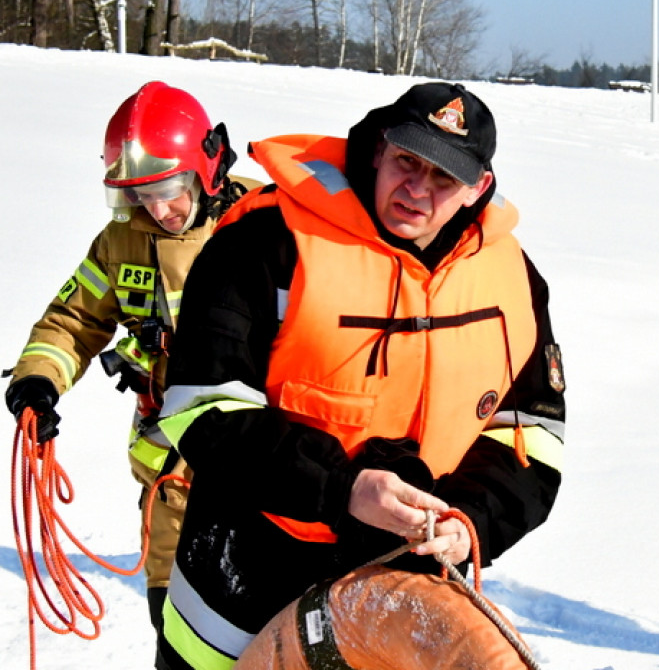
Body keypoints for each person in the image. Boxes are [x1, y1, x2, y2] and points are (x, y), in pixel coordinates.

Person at [152, 81, 566, 669]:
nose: (417, 190)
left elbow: (534, 436)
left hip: (400, 604)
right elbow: (202, 409)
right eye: (406, 162)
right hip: (242, 593)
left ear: (479, 187)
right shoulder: (262, 243)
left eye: (444, 178)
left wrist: (471, 521)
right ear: (377, 150)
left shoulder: (514, 278)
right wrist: (342, 487)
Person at [4, 81, 259, 634]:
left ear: (207, 165)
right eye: (139, 194)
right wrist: (37, 380)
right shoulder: (122, 241)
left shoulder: (270, 219)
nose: (157, 208)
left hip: (263, 474)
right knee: (175, 634)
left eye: (169, 189)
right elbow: (74, 320)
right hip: (170, 474)